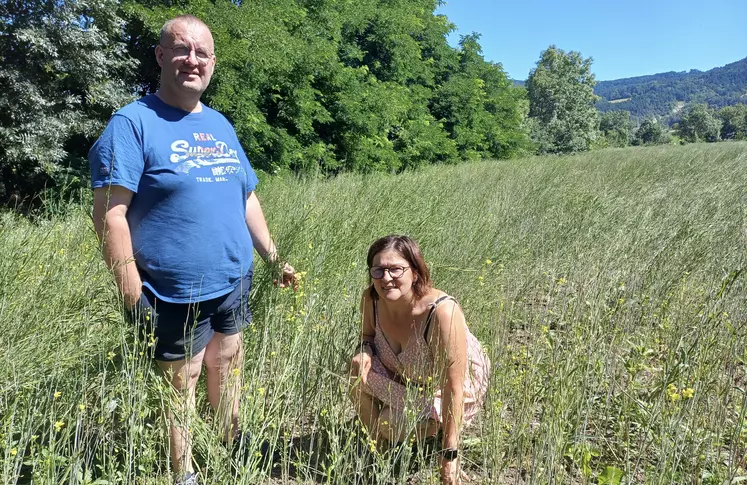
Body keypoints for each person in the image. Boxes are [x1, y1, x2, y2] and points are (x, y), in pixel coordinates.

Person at [89, 14, 295, 485]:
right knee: (182, 381)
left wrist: (272, 257)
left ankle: (231, 443)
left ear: (213, 63)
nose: (192, 60)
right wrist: (130, 291)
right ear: (161, 56)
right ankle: (185, 473)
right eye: (181, 50)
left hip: (232, 276)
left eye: (202, 53)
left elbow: (246, 196)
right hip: (172, 288)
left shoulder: (220, 124)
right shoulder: (132, 123)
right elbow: (109, 214)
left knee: (228, 361)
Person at [349, 235, 490, 485]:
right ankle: (379, 451)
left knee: (389, 423)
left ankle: (433, 432)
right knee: (354, 372)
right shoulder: (370, 299)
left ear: (415, 273)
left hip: (445, 387)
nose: (386, 278)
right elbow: (367, 336)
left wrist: (450, 456)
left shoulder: (441, 312)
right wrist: (364, 350)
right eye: (378, 270)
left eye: (395, 269)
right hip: (403, 375)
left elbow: (452, 386)